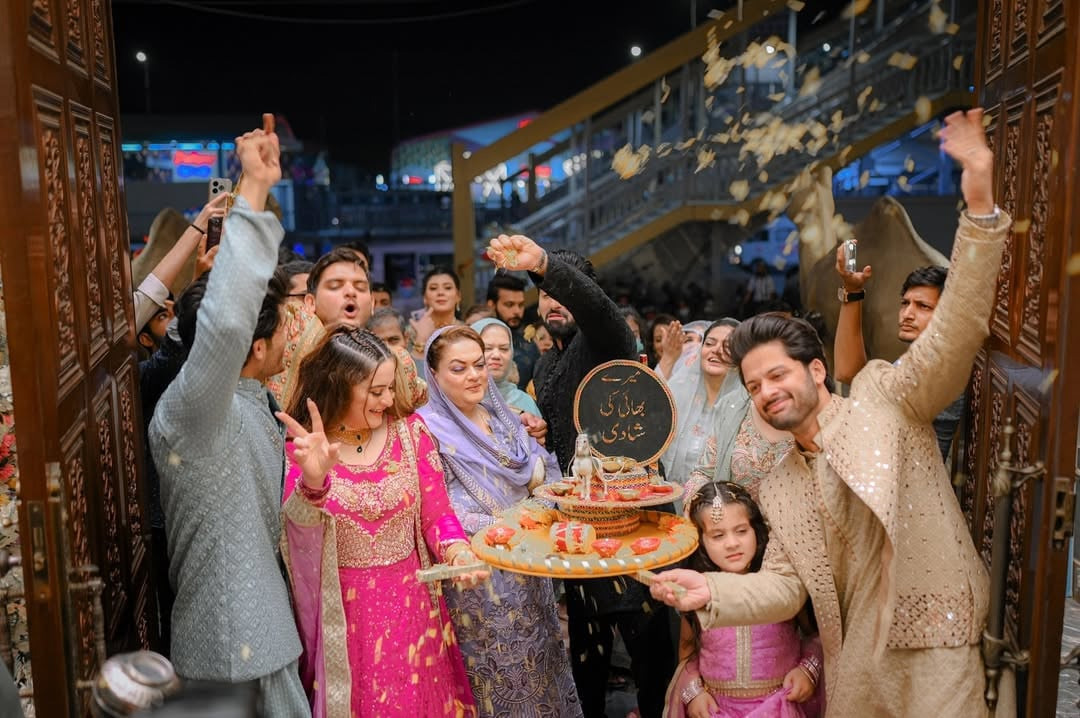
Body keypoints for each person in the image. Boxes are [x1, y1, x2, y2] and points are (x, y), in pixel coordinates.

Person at [648, 109, 1010, 717]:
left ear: (816, 371)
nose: (767, 392)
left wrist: (979, 208)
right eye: (754, 385)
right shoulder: (779, 484)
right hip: (855, 662)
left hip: (937, 635)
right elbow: (785, 586)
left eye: (778, 375)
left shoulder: (884, 396)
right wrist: (710, 589)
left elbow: (953, 335)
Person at [149, 119, 310, 716]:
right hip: (230, 646)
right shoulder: (197, 408)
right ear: (257, 346)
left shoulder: (255, 400)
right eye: (284, 327)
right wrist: (254, 189)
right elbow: (224, 323)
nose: (293, 335)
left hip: (264, 634)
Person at [487, 233, 677, 718]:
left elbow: (598, 310)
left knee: (652, 666)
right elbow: (571, 440)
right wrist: (545, 431)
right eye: (545, 295)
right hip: (581, 526)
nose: (552, 302)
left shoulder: (606, 340)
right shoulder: (548, 361)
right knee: (586, 664)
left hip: (633, 524)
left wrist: (545, 265)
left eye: (562, 293)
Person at [277, 327, 484, 718]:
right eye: (376, 392)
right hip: (346, 621)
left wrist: (457, 552)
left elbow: (437, 515)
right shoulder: (304, 447)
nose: (388, 400)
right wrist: (313, 483)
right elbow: (296, 539)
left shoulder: (411, 433)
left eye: (390, 388)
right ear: (339, 386)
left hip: (413, 613)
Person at [418, 326, 582, 718]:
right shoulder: (425, 429)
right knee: (495, 675)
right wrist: (511, 520)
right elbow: (438, 507)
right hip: (479, 576)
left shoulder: (503, 416)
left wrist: (542, 505)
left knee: (540, 661)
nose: (474, 375)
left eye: (478, 365)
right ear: (434, 375)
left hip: (529, 565)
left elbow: (543, 472)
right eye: (458, 368)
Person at [665, 482, 821, 718]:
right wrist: (693, 693)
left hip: (781, 707)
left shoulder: (781, 586)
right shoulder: (698, 595)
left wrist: (808, 669)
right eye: (718, 535)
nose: (732, 543)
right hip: (718, 711)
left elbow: (817, 638)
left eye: (741, 531)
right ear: (701, 542)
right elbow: (687, 653)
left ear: (756, 530)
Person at [833, 260, 963, 461]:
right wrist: (852, 290)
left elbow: (851, 374)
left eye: (923, 306)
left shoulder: (940, 367)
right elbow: (849, 373)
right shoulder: (919, 358)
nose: (907, 314)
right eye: (905, 303)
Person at [660, 320, 741, 497]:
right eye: (709, 343)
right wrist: (668, 359)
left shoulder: (744, 408)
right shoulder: (678, 393)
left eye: (727, 346)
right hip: (669, 501)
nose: (716, 350)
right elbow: (646, 410)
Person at [471, 318, 541, 416]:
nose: (496, 355)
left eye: (504, 349)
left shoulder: (524, 402)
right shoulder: (459, 401)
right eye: (487, 348)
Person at [485, 272, 539, 389]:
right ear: (491, 305)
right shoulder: (475, 342)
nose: (517, 311)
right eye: (509, 305)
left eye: (521, 305)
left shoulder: (529, 346)